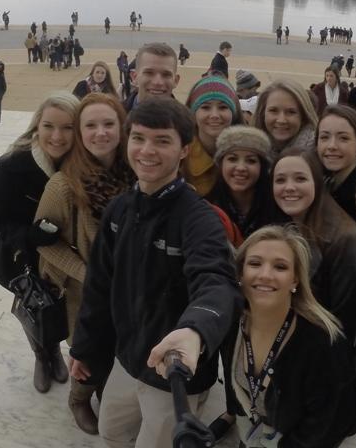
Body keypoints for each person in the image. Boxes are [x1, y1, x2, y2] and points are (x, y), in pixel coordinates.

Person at [68, 98, 240, 448]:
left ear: (184, 151)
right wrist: (84, 347)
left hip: (174, 372)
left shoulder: (198, 219)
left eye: (162, 140)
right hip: (127, 358)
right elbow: (99, 286)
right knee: (112, 432)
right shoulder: (119, 209)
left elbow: (216, 282)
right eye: (139, 138)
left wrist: (195, 330)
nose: (147, 150)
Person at [36, 94, 134, 434]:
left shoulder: (136, 174)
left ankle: (106, 388)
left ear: (122, 128)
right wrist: (88, 274)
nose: (100, 133)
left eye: (109, 124)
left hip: (127, 287)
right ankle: (79, 399)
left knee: (120, 344)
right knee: (88, 348)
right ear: (79, 132)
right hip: (84, 292)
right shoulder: (63, 186)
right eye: (90, 125)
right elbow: (44, 245)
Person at [222, 226, 356, 446]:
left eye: (280, 267)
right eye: (255, 263)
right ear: (240, 274)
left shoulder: (323, 342)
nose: (265, 275)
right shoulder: (233, 324)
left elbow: (327, 425)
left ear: (295, 280)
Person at [0, 91, 80, 393]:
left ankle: (53, 348)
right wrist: (30, 237)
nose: (57, 136)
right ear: (36, 125)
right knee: (33, 309)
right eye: (49, 126)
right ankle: (43, 354)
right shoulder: (10, 166)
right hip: (22, 257)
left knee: (57, 307)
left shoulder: (80, 164)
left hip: (62, 259)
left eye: (68, 127)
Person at [271, 149, 356, 340]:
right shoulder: (287, 227)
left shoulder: (346, 241)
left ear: (316, 182)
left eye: (300, 179)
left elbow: (345, 322)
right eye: (280, 180)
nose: (289, 187)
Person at [207, 126, 275, 238]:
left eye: (251, 161)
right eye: (232, 159)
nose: (241, 168)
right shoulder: (206, 208)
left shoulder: (277, 208)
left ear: (262, 167)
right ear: (221, 164)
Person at [183, 75, 241, 196]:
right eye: (205, 107)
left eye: (223, 107)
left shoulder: (249, 155)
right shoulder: (179, 158)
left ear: (233, 113)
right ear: (193, 114)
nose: (214, 115)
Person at [252, 79, 318, 161]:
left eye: (291, 112)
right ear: (262, 113)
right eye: (273, 110)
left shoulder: (319, 156)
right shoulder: (250, 153)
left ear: (303, 117)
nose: (281, 120)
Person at [125, 42, 180, 111]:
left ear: (176, 81)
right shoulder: (115, 117)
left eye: (166, 75)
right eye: (149, 73)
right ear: (134, 77)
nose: (157, 82)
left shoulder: (187, 120)